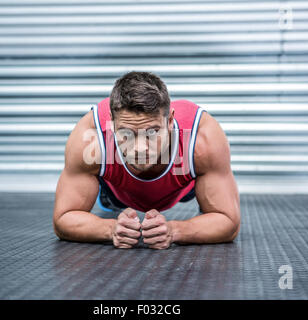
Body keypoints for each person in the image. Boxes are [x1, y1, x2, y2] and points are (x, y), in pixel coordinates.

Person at [53, 71, 240, 249]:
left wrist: (175, 231)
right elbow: (63, 218)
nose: (139, 148)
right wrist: (110, 229)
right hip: (120, 190)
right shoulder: (91, 136)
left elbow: (229, 222)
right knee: (111, 195)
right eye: (127, 133)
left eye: (152, 132)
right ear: (111, 122)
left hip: (180, 188)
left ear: (169, 121)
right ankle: (109, 195)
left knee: (205, 190)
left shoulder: (201, 137)